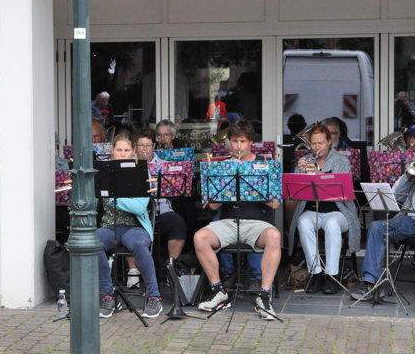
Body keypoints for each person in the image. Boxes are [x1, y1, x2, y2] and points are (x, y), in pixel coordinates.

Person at [351, 126, 415, 308]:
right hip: (411, 219)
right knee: (377, 227)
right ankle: (370, 283)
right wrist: (408, 177)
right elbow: (395, 196)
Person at [194, 119, 281, 320]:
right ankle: (219, 291)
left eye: (242, 141)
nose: (238, 146)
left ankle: (264, 295)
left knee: (274, 236)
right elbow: (213, 206)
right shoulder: (221, 165)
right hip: (228, 221)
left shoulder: (264, 165)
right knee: (200, 237)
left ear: (251, 142)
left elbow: (276, 204)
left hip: (257, 222)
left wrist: (251, 182)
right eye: (234, 141)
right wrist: (227, 177)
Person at [96, 132, 163, 319]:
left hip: (135, 227)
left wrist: (112, 199)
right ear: (113, 151)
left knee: (139, 246)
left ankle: (154, 296)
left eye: (126, 150)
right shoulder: (104, 171)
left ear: (133, 151)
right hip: (109, 226)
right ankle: (107, 295)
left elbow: (139, 206)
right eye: (119, 150)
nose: (123, 153)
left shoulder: (141, 171)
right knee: (92, 242)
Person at [288, 124, 361, 294]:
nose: (316, 147)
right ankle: (316, 274)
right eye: (313, 144)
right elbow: (296, 192)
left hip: (338, 211)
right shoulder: (306, 160)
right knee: (303, 222)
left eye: (320, 143)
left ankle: (332, 275)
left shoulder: (341, 161)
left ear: (330, 142)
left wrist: (318, 173)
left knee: (332, 226)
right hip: (312, 210)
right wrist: (301, 172)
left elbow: (342, 192)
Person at [121, 129, 189, 289]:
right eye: (141, 145)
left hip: (161, 211)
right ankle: (133, 271)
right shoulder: (128, 165)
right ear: (135, 147)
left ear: (154, 146)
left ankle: (171, 267)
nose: (145, 149)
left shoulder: (164, 165)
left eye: (148, 145)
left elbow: (176, 191)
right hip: (137, 212)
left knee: (178, 223)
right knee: (126, 224)